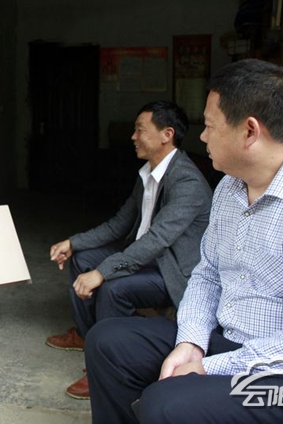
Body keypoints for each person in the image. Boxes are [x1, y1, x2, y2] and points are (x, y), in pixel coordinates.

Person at [85, 58, 283, 424]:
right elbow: (206, 274)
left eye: (209, 126)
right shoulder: (229, 188)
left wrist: (209, 367)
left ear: (249, 131)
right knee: (107, 342)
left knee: (166, 404)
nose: (203, 137)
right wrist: (191, 341)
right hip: (231, 338)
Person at [47, 100, 213, 399]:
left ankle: (105, 369)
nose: (133, 136)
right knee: (83, 258)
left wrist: (103, 272)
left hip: (173, 270)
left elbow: (156, 239)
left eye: (140, 129)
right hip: (147, 257)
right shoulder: (148, 173)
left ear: (167, 134)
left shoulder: (187, 181)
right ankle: (87, 336)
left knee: (113, 288)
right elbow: (119, 224)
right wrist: (73, 242)